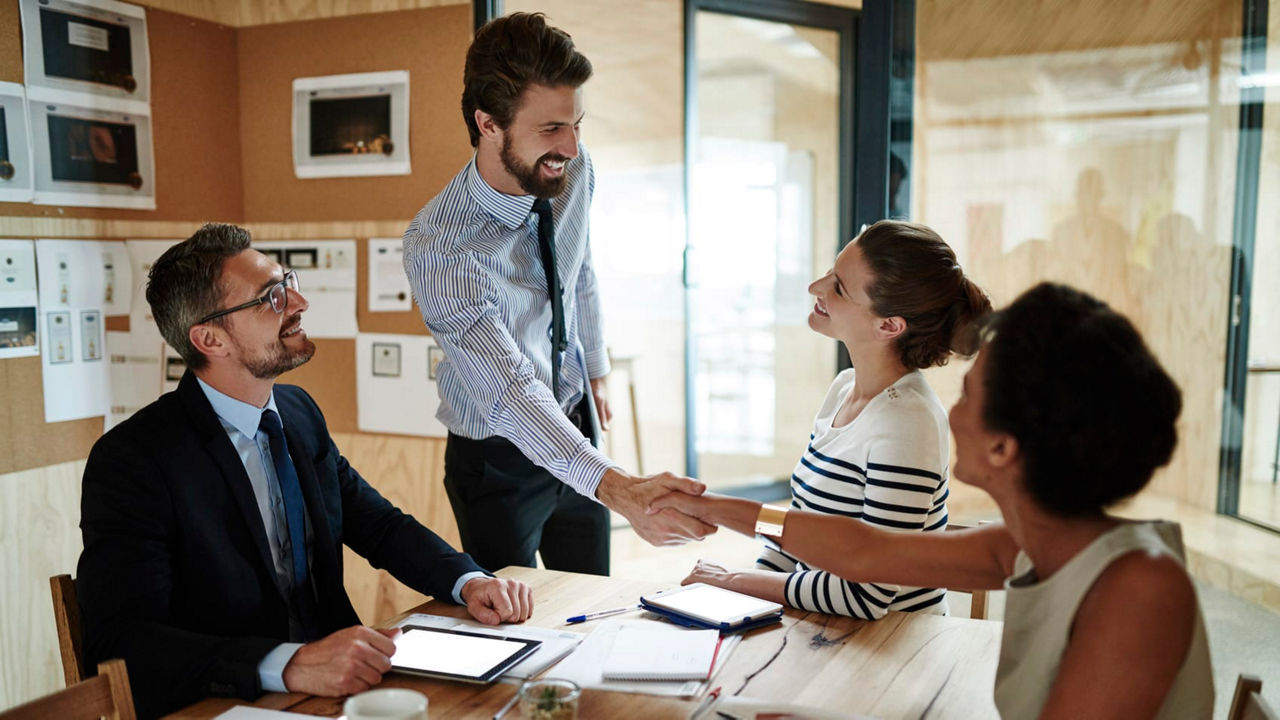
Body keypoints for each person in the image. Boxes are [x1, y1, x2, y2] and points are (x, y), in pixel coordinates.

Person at [652, 283, 1213, 718]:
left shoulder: (1140, 589)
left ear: (1002, 446)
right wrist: (717, 509)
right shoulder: (1028, 543)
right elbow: (864, 551)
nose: (948, 411)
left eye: (968, 395)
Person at [77, 224, 533, 719]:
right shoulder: (133, 460)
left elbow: (378, 524)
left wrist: (466, 581)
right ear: (210, 339)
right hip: (222, 701)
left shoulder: (297, 413)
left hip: (339, 692)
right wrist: (288, 665)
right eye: (271, 296)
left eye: (287, 281)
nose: (298, 302)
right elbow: (123, 641)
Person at [403, 12, 711, 577]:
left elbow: (579, 270)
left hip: (575, 422)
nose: (571, 146)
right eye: (550, 130)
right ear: (488, 123)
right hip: (498, 458)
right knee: (515, 618)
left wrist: (594, 368)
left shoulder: (573, 168)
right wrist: (617, 486)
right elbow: (509, 390)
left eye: (576, 124)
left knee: (589, 602)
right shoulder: (441, 244)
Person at [679, 221, 991, 619]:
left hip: (894, 653)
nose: (816, 287)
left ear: (889, 326)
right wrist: (743, 602)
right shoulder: (844, 389)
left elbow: (867, 595)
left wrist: (734, 583)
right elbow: (794, 535)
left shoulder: (908, 423)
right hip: (825, 632)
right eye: (831, 270)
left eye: (839, 287)